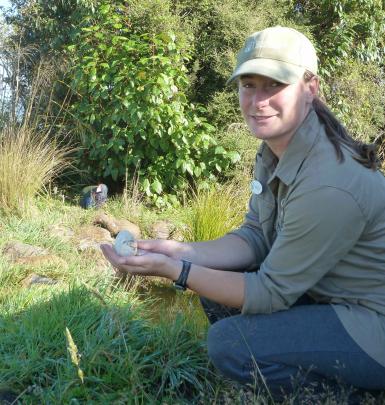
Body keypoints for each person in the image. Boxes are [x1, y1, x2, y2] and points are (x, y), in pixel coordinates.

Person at [101, 26, 385, 401]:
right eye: (249, 84)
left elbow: (270, 293)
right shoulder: (276, 147)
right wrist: (179, 252)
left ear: (311, 88)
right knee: (213, 279)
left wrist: (176, 272)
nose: (258, 101)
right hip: (328, 296)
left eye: (274, 85)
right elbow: (255, 235)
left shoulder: (328, 183)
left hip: (371, 326)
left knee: (230, 344)